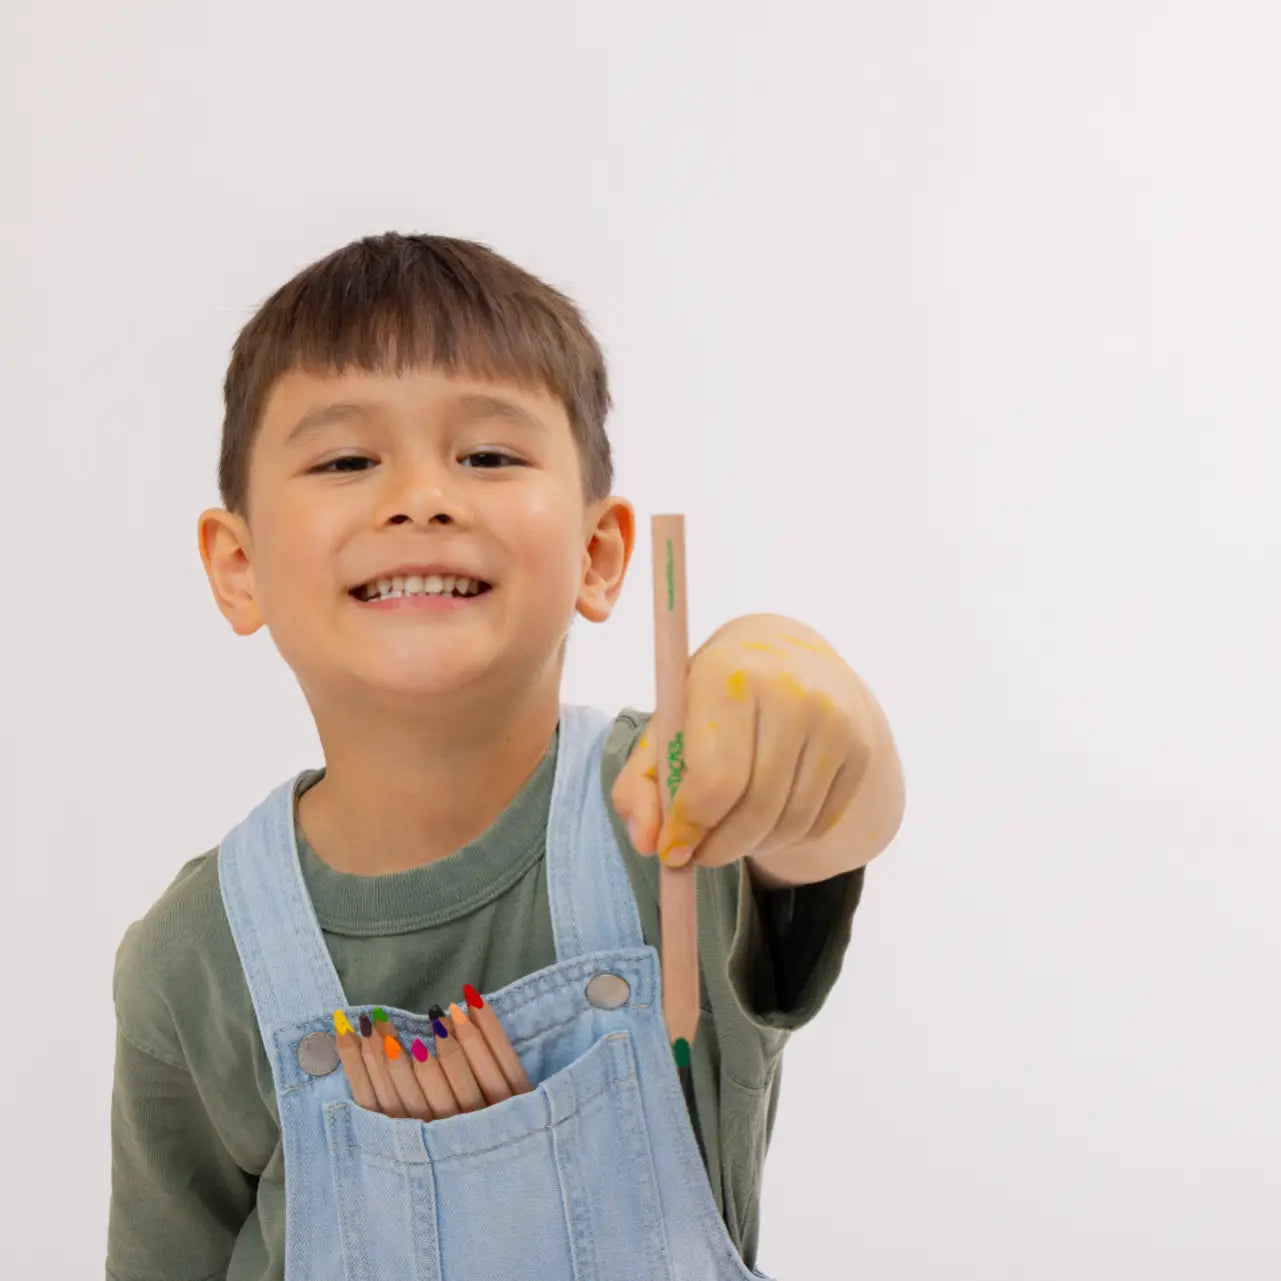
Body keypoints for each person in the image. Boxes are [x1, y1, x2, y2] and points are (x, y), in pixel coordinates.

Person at [106, 231, 905, 1281]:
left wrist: (805, 714)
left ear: (600, 554)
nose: (420, 497)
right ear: (238, 566)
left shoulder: (665, 823)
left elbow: (828, 828)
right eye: (347, 460)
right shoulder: (194, 963)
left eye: (488, 454)